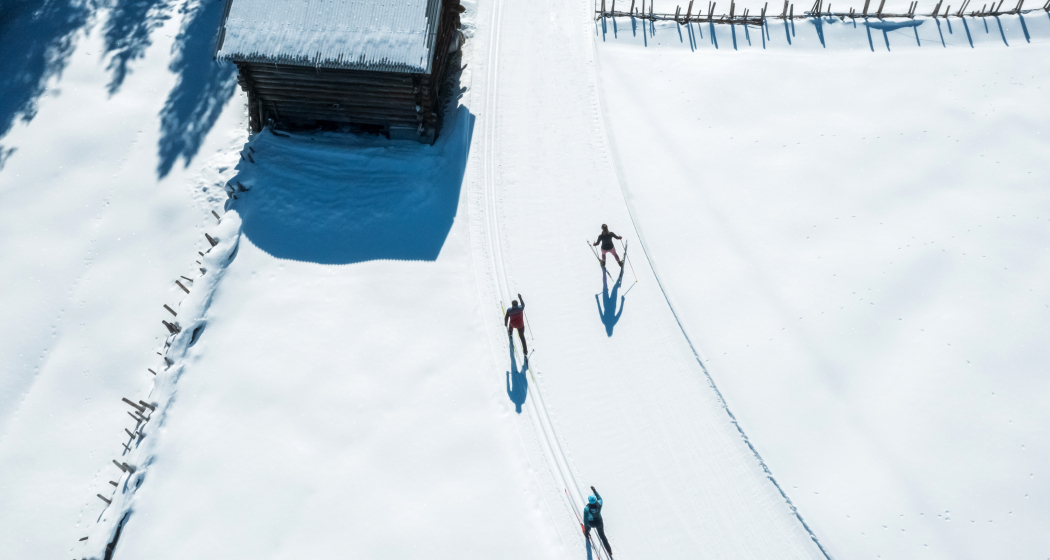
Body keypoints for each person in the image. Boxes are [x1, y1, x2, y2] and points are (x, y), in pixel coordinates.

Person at [583, 486, 613, 558]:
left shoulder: (586, 509)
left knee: (588, 524)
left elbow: (585, 520)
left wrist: (586, 531)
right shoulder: (599, 503)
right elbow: (600, 498)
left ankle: (587, 533)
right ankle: (609, 551)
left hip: (591, 523)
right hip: (599, 522)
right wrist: (594, 491)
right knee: (603, 536)